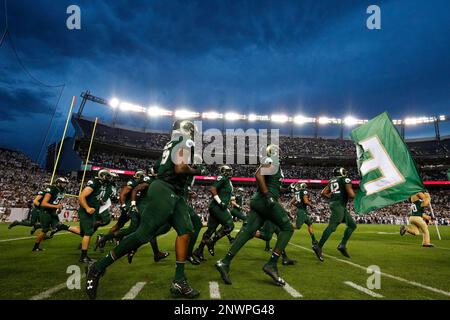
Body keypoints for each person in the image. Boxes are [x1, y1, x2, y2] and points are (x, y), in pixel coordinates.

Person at [85, 119, 205, 299]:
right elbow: (180, 168)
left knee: (186, 230)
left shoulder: (171, 143)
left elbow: (156, 169)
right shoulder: (186, 141)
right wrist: (197, 171)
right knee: (143, 234)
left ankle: (179, 280)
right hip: (165, 189)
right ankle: (98, 267)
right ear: (187, 130)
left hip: (174, 191)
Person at [215, 144, 294, 286]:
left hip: (259, 201)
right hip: (265, 201)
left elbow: (275, 186)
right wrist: (268, 195)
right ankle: (272, 264)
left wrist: (287, 190)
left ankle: (224, 262)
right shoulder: (272, 160)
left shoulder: (275, 164)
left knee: (248, 232)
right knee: (288, 228)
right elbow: (259, 174)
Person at [312, 167, 356, 261]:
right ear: (342, 172)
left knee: (352, 225)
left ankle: (342, 245)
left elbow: (323, 193)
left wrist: (333, 196)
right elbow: (352, 195)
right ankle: (318, 246)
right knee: (332, 227)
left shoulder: (332, 180)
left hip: (337, 204)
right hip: (339, 205)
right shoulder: (345, 179)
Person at [194, 165, 234, 259]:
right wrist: (220, 202)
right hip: (218, 207)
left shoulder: (227, 180)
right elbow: (212, 189)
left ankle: (199, 250)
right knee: (230, 226)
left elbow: (226, 195)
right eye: (228, 170)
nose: (230, 172)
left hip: (218, 207)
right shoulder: (222, 178)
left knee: (210, 230)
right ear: (223, 171)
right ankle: (211, 242)